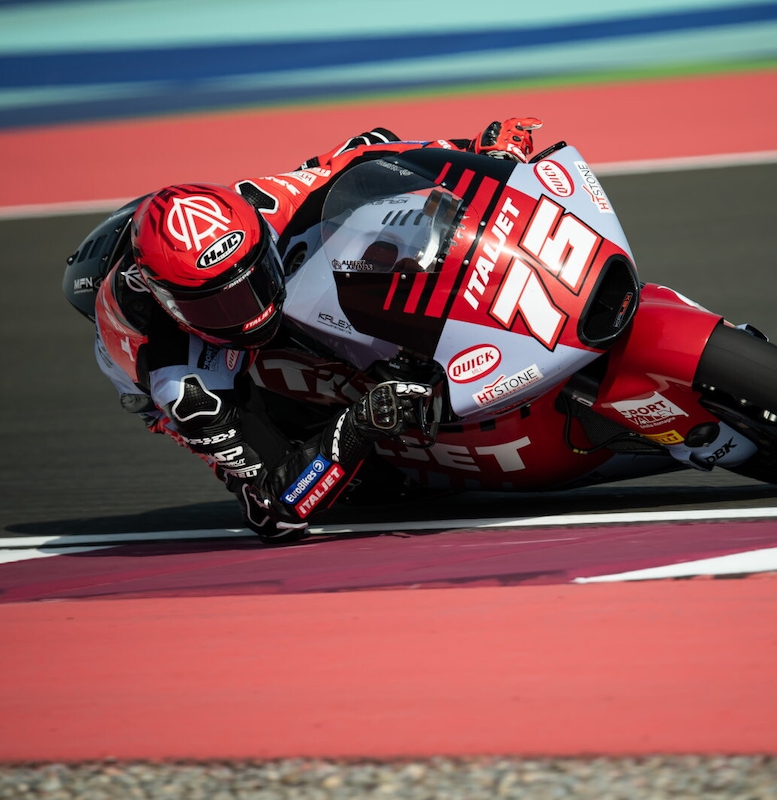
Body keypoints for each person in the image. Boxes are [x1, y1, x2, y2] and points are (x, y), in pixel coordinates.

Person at [80, 117, 544, 543]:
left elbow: (368, 152)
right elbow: (271, 514)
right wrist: (358, 424)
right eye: (223, 304)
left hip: (252, 266)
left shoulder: (262, 204)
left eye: (255, 281)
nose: (251, 312)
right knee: (367, 486)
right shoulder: (181, 379)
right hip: (221, 377)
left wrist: (481, 155)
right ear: (168, 303)